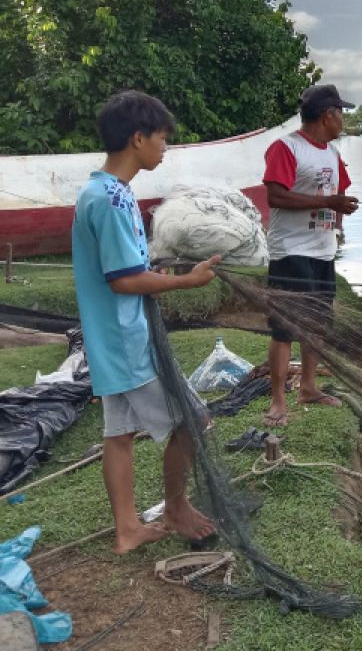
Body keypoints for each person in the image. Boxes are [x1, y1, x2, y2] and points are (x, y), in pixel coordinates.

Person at [72, 90, 220, 554]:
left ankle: (127, 529)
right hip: (126, 338)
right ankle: (175, 508)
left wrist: (155, 272)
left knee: (118, 434)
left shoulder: (99, 191)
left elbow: (121, 269)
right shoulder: (112, 200)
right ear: (138, 139)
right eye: (161, 137)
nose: (165, 146)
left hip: (107, 338)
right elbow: (122, 281)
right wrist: (186, 282)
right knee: (194, 419)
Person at [262, 84, 359, 427]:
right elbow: (275, 196)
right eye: (341, 113)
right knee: (285, 328)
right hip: (291, 250)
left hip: (322, 250)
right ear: (327, 115)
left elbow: (339, 191)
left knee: (317, 323)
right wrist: (327, 203)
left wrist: (341, 213)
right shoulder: (286, 148)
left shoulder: (331, 153)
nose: (343, 119)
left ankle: (308, 387)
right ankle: (277, 401)